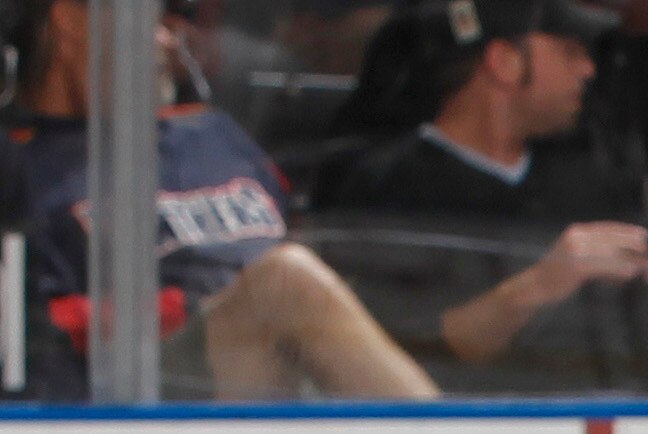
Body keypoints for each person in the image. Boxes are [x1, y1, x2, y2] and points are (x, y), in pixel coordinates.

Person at [2, 0, 433, 400]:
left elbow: (311, 256)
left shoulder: (216, 135)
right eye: (149, 22)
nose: (168, 41)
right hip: (137, 397)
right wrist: (210, 302)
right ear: (71, 18)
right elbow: (34, 333)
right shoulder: (20, 168)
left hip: (287, 390)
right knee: (285, 282)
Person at [322, 0, 648, 395]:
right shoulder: (386, 188)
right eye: (569, 51)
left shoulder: (593, 178)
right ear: (505, 62)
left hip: (614, 423)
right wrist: (544, 283)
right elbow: (392, 358)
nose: (588, 69)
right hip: (461, 428)